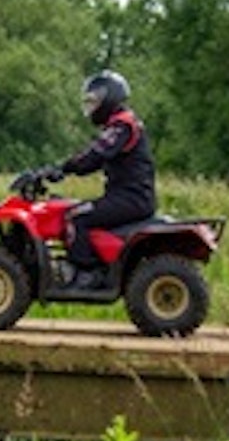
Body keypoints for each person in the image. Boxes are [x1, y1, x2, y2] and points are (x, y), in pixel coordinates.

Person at [46, 69, 156, 287]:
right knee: (67, 207)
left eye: (94, 101)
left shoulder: (122, 125)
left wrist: (62, 168)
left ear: (109, 98)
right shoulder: (120, 124)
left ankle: (87, 274)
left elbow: (96, 155)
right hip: (128, 196)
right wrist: (64, 170)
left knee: (74, 216)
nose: (91, 107)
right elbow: (93, 161)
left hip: (131, 199)